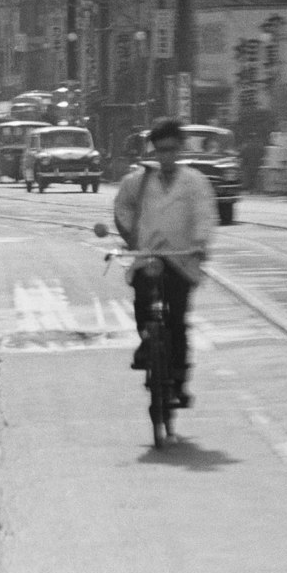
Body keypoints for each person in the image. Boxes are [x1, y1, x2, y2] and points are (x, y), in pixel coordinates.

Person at [113, 119, 217, 409]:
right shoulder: (139, 181)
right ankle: (147, 341)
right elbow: (122, 205)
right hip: (149, 256)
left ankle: (180, 381)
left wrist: (200, 243)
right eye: (160, 150)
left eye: (171, 149)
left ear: (180, 149)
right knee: (143, 300)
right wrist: (129, 233)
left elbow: (205, 215)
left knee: (177, 320)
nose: (165, 156)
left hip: (182, 259)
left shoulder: (195, 182)